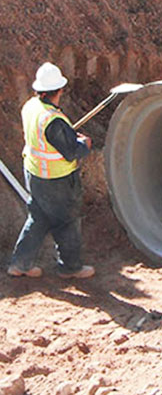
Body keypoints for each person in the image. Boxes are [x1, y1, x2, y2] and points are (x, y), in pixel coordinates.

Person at [8, 62, 95, 279]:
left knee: (39, 217)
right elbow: (71, 151)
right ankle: (70, 267)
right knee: (67, 221)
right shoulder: (53, 120)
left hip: (34, 173)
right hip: (55, 180)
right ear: (60, 90)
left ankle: (21, 263)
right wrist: (85, 144)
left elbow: (45, 140)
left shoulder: (31, 107)